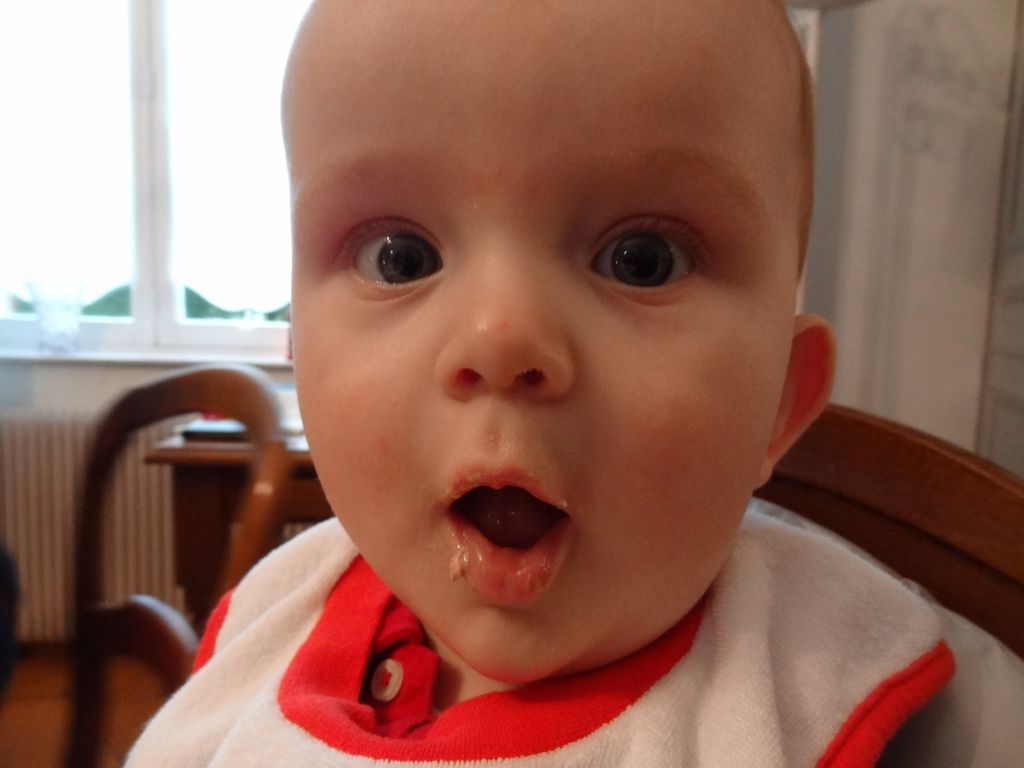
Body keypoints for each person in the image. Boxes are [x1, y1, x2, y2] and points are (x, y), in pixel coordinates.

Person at [127, 0, 1022, 764]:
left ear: (782, 403)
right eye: (399, 257)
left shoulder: (813, 683)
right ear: (298, 352)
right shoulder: (274, 625)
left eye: (641, 259)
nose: (500, 337)